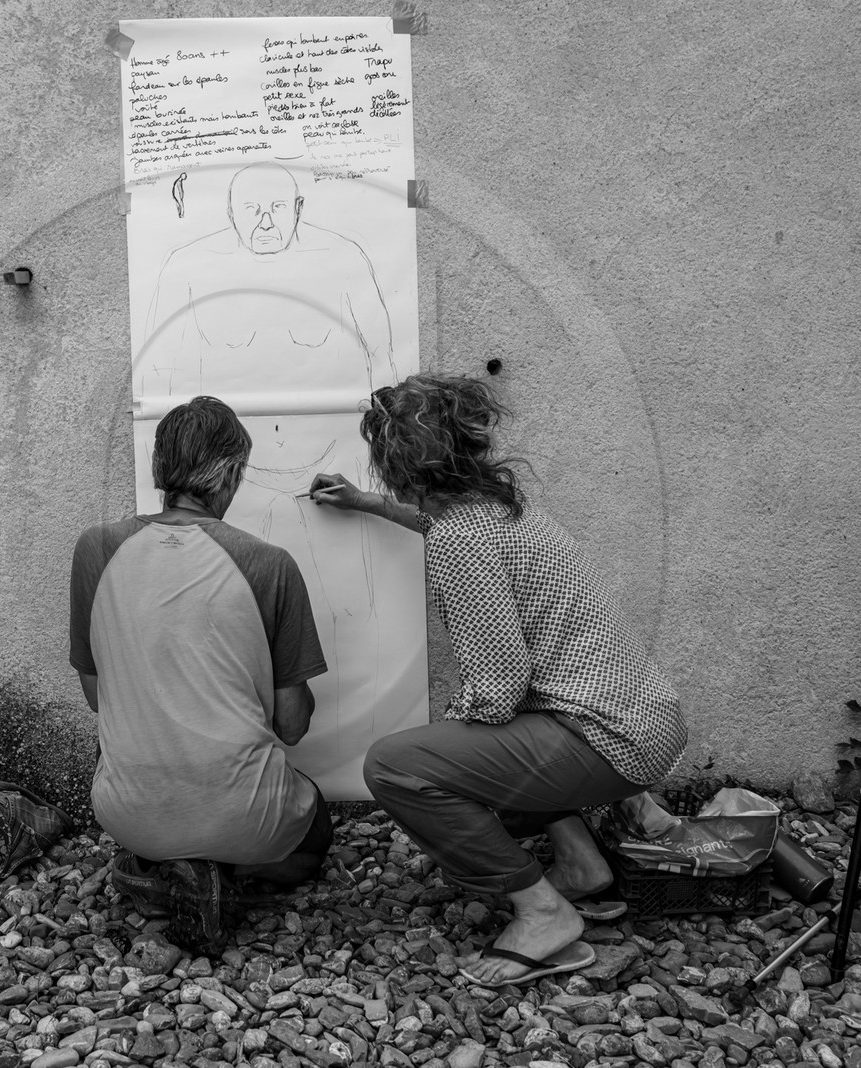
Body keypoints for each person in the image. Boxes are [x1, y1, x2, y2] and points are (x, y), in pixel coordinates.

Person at [309, 374, 687, 987]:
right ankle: (580, 865)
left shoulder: (461, 538)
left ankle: (543, 912)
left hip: (604, 740)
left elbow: (499, 687)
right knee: (496, 737)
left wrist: (457, 733)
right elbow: (452, 533)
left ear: (394, 462)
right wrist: (374, 506)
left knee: (398, 765)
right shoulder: (501, 510)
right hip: (640, 720)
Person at [69, 396, 332, 938]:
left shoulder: (96, 548)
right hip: (247, 820)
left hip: (126, 814)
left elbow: (97, 696)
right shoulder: (269, 564)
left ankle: (158, 866)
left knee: (122, 749)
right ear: (232, 472)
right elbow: (293, 725)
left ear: (160, 467)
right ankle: (226, 869)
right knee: (314, 834)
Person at [141, 162, 395, 399]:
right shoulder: (186, 267)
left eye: (278, 208)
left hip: (329, 431)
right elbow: (160, 369)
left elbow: (380, 354)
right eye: (252, 210)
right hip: (224, 439)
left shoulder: (345, 258)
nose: (266, 223)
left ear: (298, 208)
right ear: (231, 213)